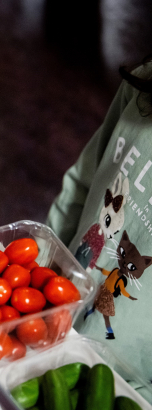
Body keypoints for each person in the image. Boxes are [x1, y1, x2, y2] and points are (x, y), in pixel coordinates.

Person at [48, 55, 152, 379]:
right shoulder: (142, 86)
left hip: (123, 382)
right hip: (50, 313)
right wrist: (39, 275)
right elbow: (81, 185)